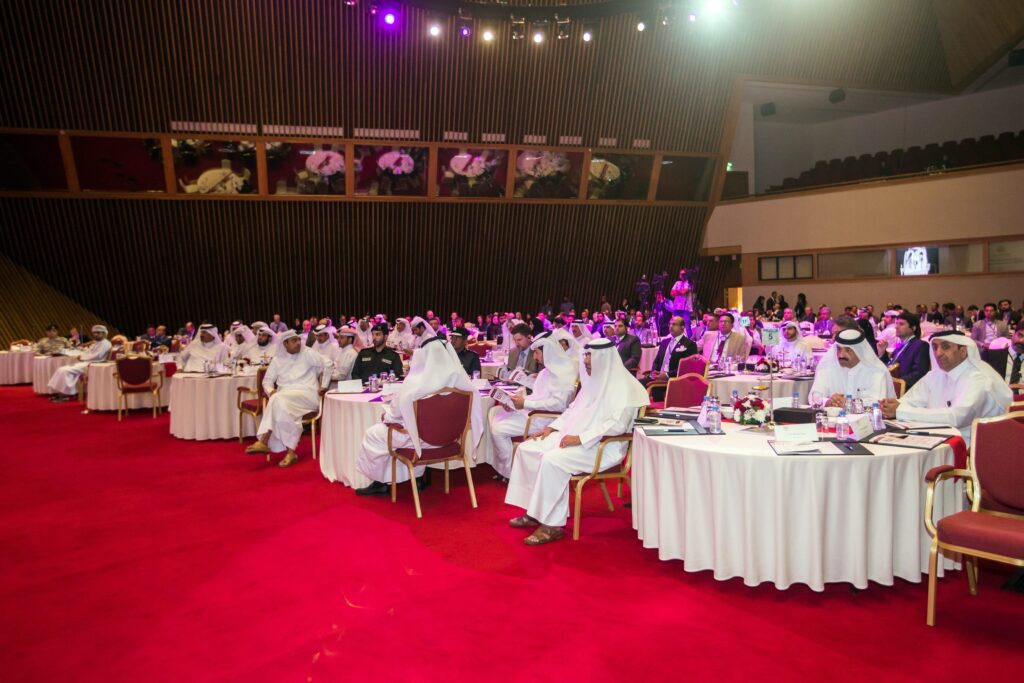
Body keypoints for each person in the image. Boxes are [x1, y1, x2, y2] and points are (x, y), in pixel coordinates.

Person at [505, 338, 648, 545]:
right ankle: (534, 511)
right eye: (586, 355)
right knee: (527, 449)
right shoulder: (593, 381)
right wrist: (552, 427)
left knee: (553, 460)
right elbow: (573, 409)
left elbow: (616, 427)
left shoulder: (627, 387)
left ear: (604, 358)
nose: (586, 360)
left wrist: (580, 438)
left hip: (604, 446)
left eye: (590, 356)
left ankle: (552, 525)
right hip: (575, 436)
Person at [355, 335, 483, 496]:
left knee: (373, 435)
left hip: (420, 441)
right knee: (416, 429)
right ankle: (416, 478)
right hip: (450, 440)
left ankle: (380, 483)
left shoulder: (415, 382)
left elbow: (395, 413)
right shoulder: (462, 382)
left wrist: (386, 417)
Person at [880, 331, 1012, 445]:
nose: (938, 353)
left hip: (974, 446)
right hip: (938, 439)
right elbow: (909, 402)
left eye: (945, 347)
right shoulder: (934, 376)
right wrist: (891, 406)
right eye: (935, 347)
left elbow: (957, 418)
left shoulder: (979, 378)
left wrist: (901, 411)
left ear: (963, 351)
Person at [489, 332, 579, 483]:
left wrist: (525, 404)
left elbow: (559, 405)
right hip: (534, 412)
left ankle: (509, 473)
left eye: (537, 353)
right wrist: (514, 402)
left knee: (498, 429)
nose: (535, 357)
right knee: (494, 414)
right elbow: (537, 396)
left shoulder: (564, 373)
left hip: (546, 419)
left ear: (548, 351)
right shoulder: (545, 371)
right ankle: (503, 467)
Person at [244, 331, 330, 468]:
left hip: (307, 395)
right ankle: (291, 453)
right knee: (280, 405)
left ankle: (264, 440)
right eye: (294, 341)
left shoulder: (308, 353)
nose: (298, 343)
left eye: (298, 340)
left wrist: (324, 386)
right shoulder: (277, 360)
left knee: (277, 400)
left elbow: (328, 364)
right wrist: (271, 391)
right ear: (285, 344)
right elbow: (267, 381)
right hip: (284, 398)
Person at [809, 328, 894, 408]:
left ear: (859, 350)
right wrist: (828, 402)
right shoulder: (828, 368)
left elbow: (879, 402)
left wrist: (849, 403)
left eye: (848, 350)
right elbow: (813, 396)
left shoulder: (876, 371)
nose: (841, 355)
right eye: (839, 349)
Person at [46, 325, 112, 401]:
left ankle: (66, 394)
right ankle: (64, 392)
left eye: (98, 332)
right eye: (94, 333)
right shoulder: (96, 343)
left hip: (93, 365)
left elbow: (97, 356)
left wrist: (82, 357)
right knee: (61, 369)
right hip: (86, 362)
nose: (96, 334)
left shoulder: (105, 343)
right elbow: (88, 352)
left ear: (104, 333)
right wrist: (80, 354)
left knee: (64, 371)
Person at [884, 312, 931, 390]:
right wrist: (882, 353)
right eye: (896, 323)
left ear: (913, 328)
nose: (896, 327)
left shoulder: (921, 345)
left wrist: (896, 383)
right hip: (891, 385)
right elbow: (890, 364)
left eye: (901, 324)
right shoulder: (901, 345)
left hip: (906, 390)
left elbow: (919, 373)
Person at [670, 269, 695, 335]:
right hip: (676, 307)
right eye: (681, 274)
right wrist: (680, 292)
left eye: (683, 274)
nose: (682, 275)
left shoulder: (689, 283)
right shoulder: (677, 283)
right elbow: (672, 293)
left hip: (686, 308)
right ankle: (676, 338)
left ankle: (689, 339)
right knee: (675, 325)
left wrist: (677, 291)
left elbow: (684, 292)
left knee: (687, 325)